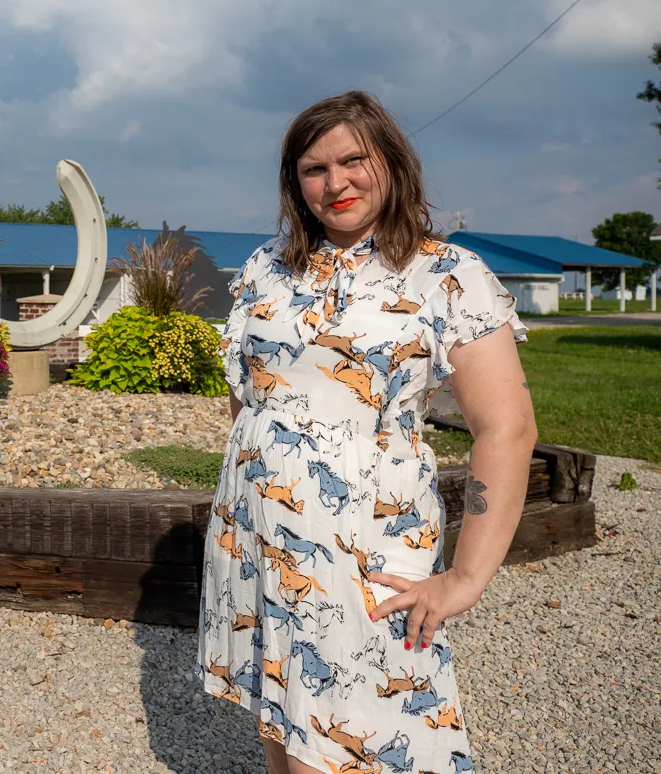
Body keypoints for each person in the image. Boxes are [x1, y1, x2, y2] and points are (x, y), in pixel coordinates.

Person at [197, 91, 537, 774]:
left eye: (354, 160)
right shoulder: (266, 268)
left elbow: (507, 427)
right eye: (314, 168)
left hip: (367, 539)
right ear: (295, 182)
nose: (336, 182)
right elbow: (248, 400)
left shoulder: (449, 275)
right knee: (285, 725)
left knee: (365, 739)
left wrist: (466, 575)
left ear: (392, 161)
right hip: (258, 537)